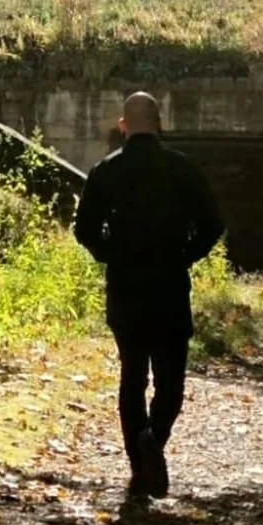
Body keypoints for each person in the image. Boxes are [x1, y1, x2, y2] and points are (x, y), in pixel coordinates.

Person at [73, 91, 224, 500]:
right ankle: (153, 441)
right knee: (171, 383)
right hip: (170, 286)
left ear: (123, 125)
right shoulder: (182, 169)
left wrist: (112, 255)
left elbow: (83, 230)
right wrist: (185, 255)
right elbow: (212, 224)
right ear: (159, 124)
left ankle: (141, 467)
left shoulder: (105, 171)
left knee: (132, 378)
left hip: (126, 288)